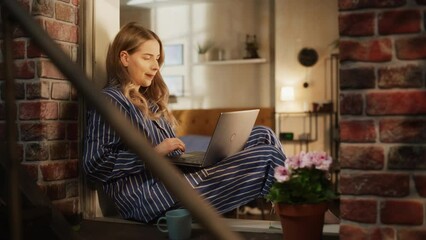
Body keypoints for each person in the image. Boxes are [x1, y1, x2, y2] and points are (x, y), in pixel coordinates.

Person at [83, 22, 286, 223]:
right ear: (125, 58)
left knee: (263, 134)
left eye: (157, 58)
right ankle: (295, 217)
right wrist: (155, 153)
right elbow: (95, 164)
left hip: (175, 181)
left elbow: (169, 156)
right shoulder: (111, 100)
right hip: (149, 197)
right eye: (147, 58)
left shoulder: (150, 103)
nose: (155, 66)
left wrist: (196, 159)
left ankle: (288, 209)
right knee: (267, 156)